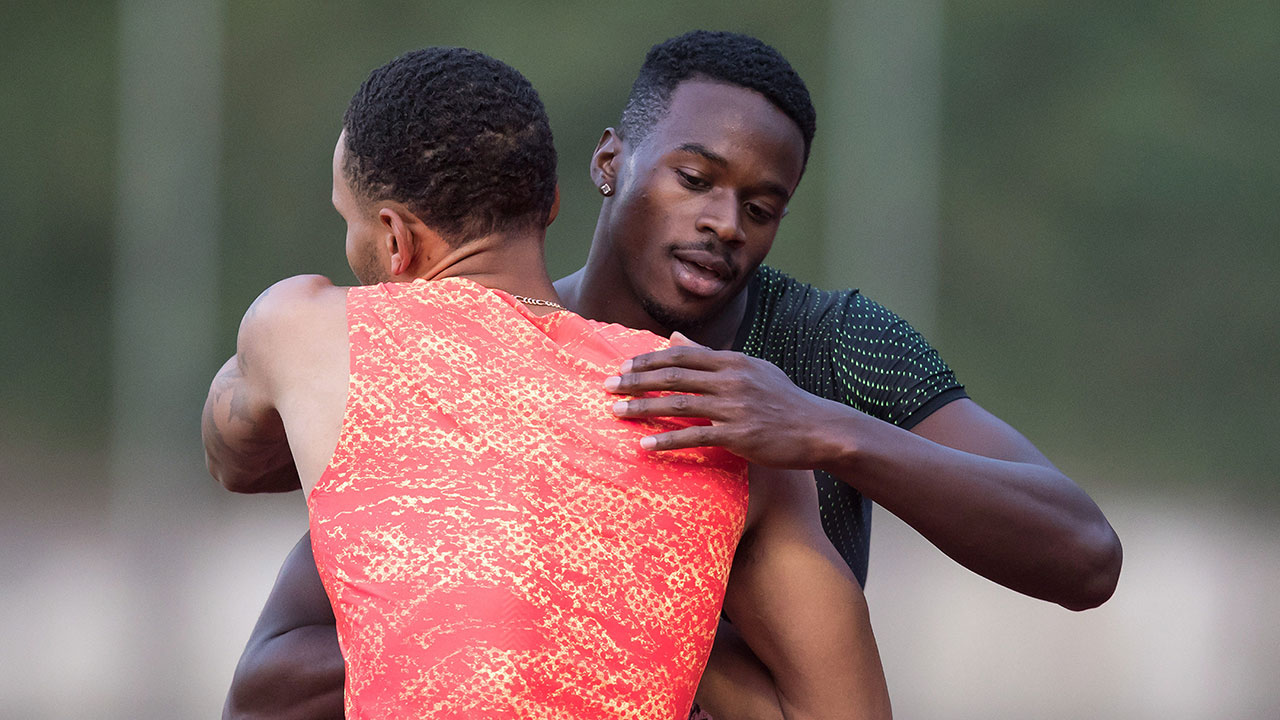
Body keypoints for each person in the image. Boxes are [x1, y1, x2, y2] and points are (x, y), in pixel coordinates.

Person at [224, 30, 1122, 718]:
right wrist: (569, 609)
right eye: (695, 178)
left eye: (762, 207)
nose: (727, 223)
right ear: (610, 163)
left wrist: (825, 430)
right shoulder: (466, 361)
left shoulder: (826, 350)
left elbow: (1084, 556)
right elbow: (270, 672)